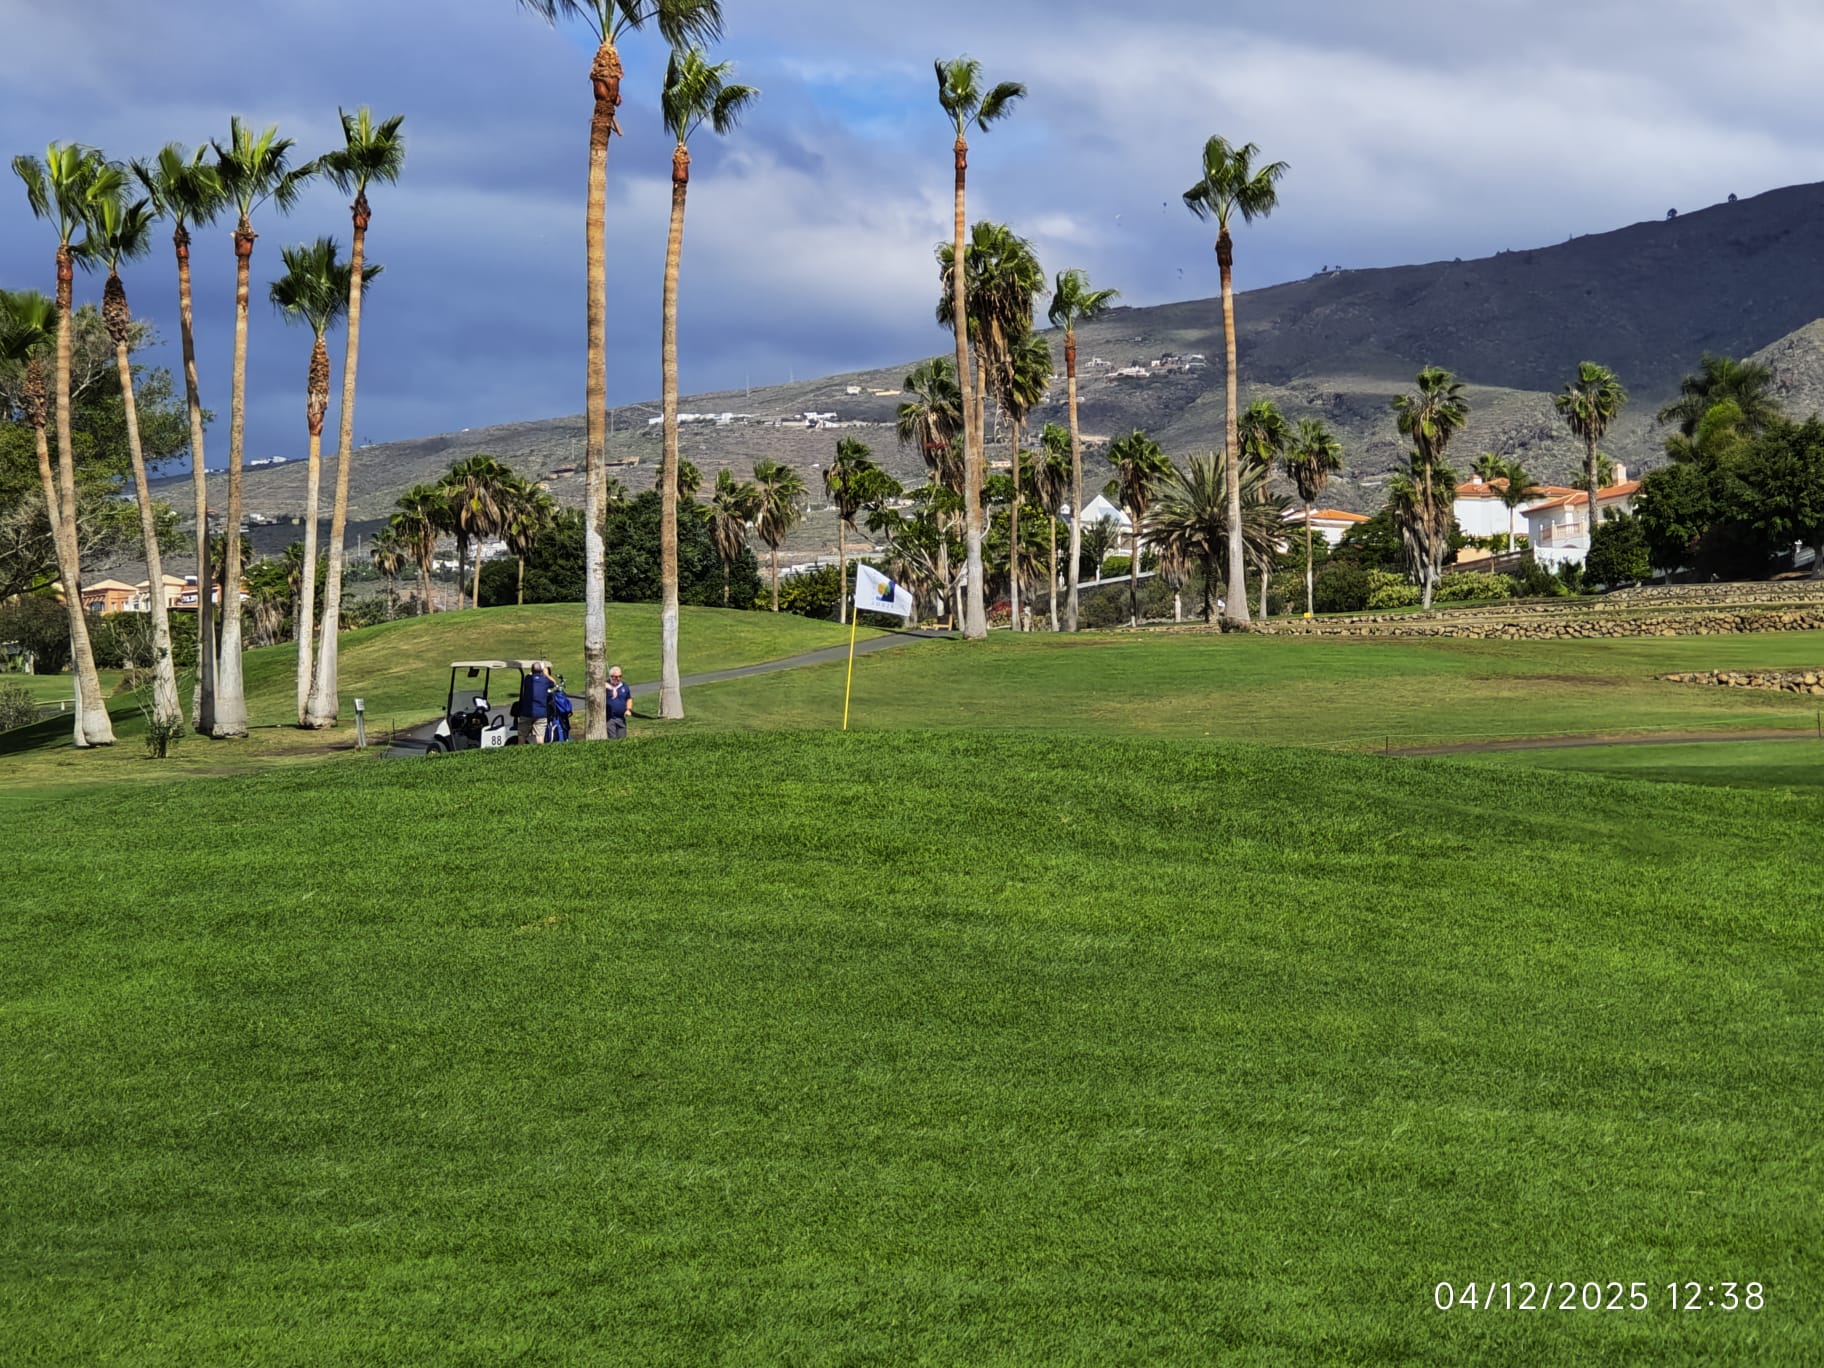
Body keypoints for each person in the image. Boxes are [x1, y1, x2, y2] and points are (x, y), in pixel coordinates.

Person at [516, 661, 553, 744]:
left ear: (532, 670)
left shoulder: (527, 679)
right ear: (541, 671)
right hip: (541, 713)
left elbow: (529, 674)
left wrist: (533, 671)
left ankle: (520, 749)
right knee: (540, 737)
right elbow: (553, 683)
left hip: (526, 712)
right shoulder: (545, 681)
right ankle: (539, 751)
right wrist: (546, 674)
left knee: (522, 735)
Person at [605, 665, 632, 740]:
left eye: (620, 676)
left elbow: (629, 698)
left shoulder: (624, 686)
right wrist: (612, 688)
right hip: (610, 719)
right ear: (611, 676)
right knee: (612, 739)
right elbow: (599, 684)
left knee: (622, 740)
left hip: (621, 718)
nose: (618, 678)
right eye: (616, 677)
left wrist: (628, 709)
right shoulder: (606, 685)